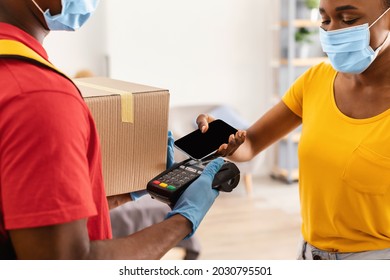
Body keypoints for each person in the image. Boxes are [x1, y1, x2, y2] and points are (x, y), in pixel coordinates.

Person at [0, 0, 223, 259]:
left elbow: (22, 218)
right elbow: (67, 264)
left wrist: (118, 197)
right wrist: (183, 219)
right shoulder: (40, 97)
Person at [197, 0, 390, 260]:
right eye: (325, 20)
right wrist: (223, 138)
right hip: (310, 254)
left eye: (348, 20)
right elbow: (251, 143)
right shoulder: (316, 80)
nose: (332, 32)